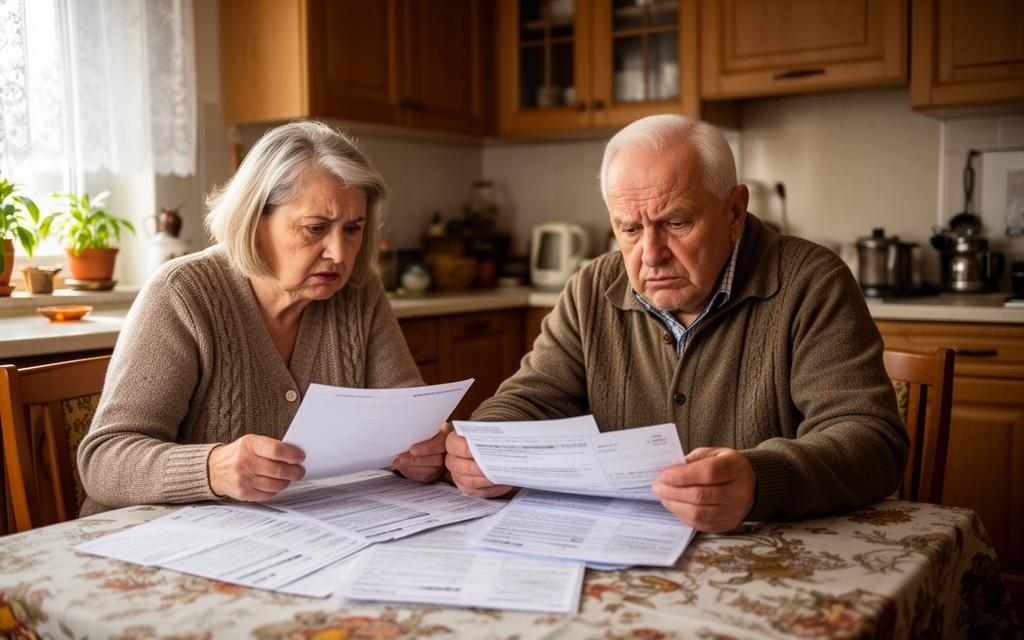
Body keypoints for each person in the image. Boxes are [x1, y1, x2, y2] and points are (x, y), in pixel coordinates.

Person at [446, 114, 908, 533]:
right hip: (622, 554)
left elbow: (871, 441)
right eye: (629, 229)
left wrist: (758, 480)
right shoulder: (591, 289)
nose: (651, 254)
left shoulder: (811, 282)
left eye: (676, 222)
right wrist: (486, 449)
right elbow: (527, 401)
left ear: (733, 211)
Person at [78, 121, 445, 515]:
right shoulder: (183, 293)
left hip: (296, 536)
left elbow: (410, 423)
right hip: (149, 544)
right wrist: (213, 469)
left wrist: (424, 455)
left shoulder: (358, 293)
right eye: (315, 228)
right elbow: (104, 460)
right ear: (255, 223)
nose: (339, 253)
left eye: (352, 229)